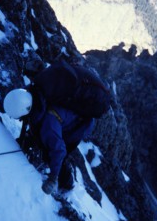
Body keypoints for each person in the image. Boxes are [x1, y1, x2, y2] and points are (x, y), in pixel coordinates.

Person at [7, 55, 95, 195]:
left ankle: (67, 183)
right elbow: (17, 102)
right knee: (39, 133)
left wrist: (53, 179)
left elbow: (58, 150)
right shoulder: (34, 92)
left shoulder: (49, 122)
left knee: (54, 150)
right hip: (63, 116)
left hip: (79, 124)